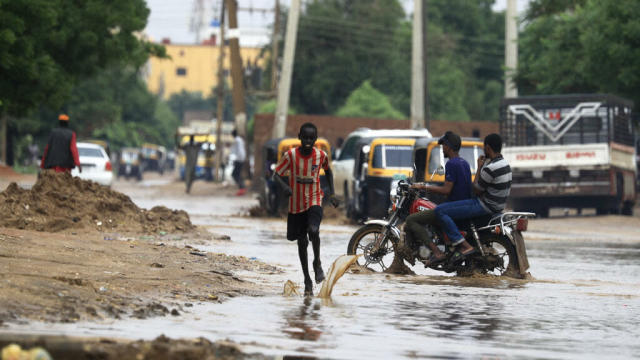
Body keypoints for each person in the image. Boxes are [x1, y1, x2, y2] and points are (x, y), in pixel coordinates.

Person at [273, 122, 340, 296]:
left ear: (315, 139)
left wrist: (332, 194)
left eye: (311, 138)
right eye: (305, 137)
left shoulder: (321, 155)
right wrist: (285, 187)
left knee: (314, 230)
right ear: (300, 137)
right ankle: (307, 280)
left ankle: (317, 262)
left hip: (315, 198)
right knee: (301, 241)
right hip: (296, 204)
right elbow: (276, 175)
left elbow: (329, 172)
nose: (308, 141)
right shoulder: (290, 156)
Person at [433, 133, 512, 261]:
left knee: (439, 210)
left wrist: (480, 167)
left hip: (484, 206)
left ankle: (463, 245)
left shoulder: (490, 168)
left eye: (484, 148)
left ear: (487, 148)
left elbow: (476, 190)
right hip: (498, 206)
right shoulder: (505, 165)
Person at [405, 131, 471, 266]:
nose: (442, 149)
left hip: (453, 208)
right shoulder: (464, 163)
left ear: (449, 146)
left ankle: (437, 252)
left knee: (411, 220)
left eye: (443, 146)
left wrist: (423, 187)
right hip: (462, 206)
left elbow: (447, 190)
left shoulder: (452, 164)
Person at [231, 129, 246, 195]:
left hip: (239, 159)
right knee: (237, 174)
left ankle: (242, 188)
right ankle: (242, 188)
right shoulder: (240, 140)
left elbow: (239, 150)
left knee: (234, 174)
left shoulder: (237, 140)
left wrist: (236, 159)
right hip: (241, 158)